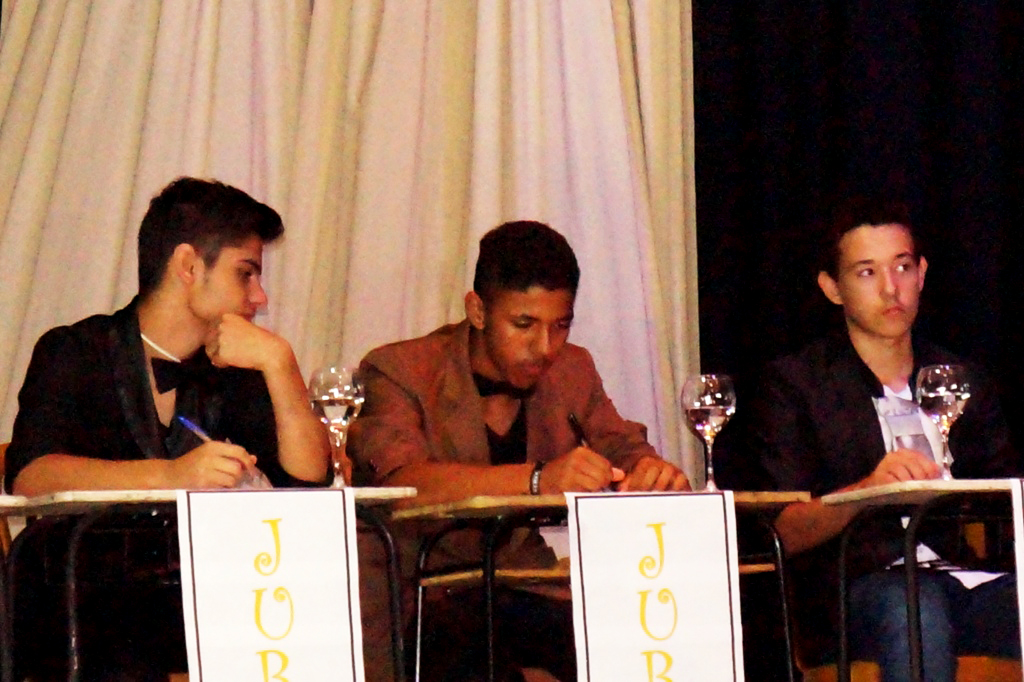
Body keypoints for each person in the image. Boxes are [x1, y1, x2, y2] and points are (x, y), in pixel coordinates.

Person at [6, 177, 331, 679]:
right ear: (188, 265)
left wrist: (280, 363)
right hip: (82, 603)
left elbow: (308, 483)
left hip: (207, 601)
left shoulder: (240, 372)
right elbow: (31, 475)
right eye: (245, 274)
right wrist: (171, 475)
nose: (259, 296)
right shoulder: (75, 351)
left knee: (310, 609)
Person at [348, 220, 689, 681]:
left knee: (644, 638)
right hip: (423, 589)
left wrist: (650, 471)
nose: (545, 347)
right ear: (477, 310)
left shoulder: (573, 368)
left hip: (522, 584)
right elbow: (404, 485)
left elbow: (622, 445)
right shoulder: (399, 369)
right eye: (524, 324)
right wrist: (537, 479)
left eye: (561, 326)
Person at [717, 197, 1021, 681]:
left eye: (902, 267)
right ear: (832, 288)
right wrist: (869, 491)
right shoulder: (797, 386)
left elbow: (1007, 494)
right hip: (855, 590)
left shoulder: (958, 379)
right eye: (866, 272)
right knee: (913, 604)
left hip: (965, 580)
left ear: (922, 274)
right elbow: (784, 530)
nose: (890, 288)